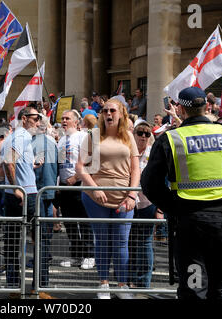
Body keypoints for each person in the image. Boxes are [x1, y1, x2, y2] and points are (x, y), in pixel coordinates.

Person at [140, 86, 222, 299]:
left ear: (181, 109)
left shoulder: (171, 139)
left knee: (193, 287)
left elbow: (150, 184)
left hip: (188, 222)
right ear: (207, 107)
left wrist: (172, 207)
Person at [76, 98, 140, 299]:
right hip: (96, 198)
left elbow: (135, 168)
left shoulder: (129, 137)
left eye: (112, 110)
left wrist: (132, 193)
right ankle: (104, 283)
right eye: (104, 110)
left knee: (121, 242)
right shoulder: (93, 136)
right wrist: (94, 188)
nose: (108, 114)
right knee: (102, 241)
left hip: (124, 198)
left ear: (121, 114)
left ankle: (121, 285)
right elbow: (80, 167)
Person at [0, 105, 40, 298]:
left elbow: (10, 162)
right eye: (35, 118)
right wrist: (17, 187)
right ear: (24, 118)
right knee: (35, 239)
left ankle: (14, 286)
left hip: (18, 192)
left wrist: (30, 166)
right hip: (24, 194)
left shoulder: (16, 136)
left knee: (14, 241)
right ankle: (31, 288)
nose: (38, 122)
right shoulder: (21, 135)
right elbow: (8, 161)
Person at [56, 110, 95, 270]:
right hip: (65, 187)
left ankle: (89, 255)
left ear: (76, 122)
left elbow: (89, 162)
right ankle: (76, 255)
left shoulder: (83, 137)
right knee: (70, 222)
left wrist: (76, 178)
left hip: (80, 185)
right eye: (62, 118)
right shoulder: (61, 140)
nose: (64, 121)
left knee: (83, 221)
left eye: (67, 119)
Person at [128, 121, 161, 289]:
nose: (143, 136)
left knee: (145, 242)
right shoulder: (128, 153)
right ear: (133, 135)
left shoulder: (154, 154)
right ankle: (130, 279)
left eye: (147, 134)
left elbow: (163, 180)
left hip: (148, 203)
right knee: (130, 241)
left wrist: (160, 209)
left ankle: (143, 282)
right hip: (130, 202)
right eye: (140, 133)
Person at [31, 114, 58, 298]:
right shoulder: (52, 143)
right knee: (42, 241)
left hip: (37, 193)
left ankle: (38, 285)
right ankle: (41, 284)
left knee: (38, 242)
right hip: (46, 194)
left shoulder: (32, 143)